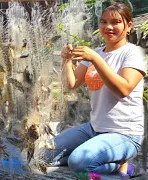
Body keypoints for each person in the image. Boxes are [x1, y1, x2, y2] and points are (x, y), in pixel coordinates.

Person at [45, 2, 146, 179]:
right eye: (103, 21)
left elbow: (123, 89)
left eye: (115, 22)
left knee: (79, 162)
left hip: (125, 133)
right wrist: (66, 61)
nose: (108, 27)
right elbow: (72, 84)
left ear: (128, 26)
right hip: (94, 128)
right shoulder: (96, 52)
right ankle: (106, 161)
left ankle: (124, 166)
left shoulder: (133, 53)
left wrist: (96, 59)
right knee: (45, 155)